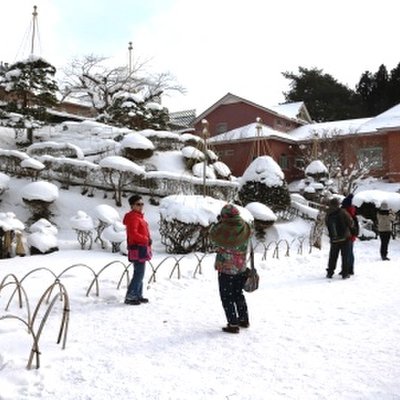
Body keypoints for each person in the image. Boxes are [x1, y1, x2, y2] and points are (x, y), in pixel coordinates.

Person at [209, 204, 252, 333]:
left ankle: (233, 324)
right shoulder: (244, 226)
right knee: (238, 293)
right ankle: (243, 319)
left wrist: (219, 223)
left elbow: (213, 237)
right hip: (241, 267)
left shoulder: (223, 229)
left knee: (227, 296)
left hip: (226, 269)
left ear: (225, 216)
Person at [123, 195, 152, 305]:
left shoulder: (139, 217)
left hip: (141, 247)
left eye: (142, 204)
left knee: (140, 272)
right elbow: (133, 234)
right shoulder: (133, 217)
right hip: (137, 248)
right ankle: (131, 296)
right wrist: (146, 239)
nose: (141, 206)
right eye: (138, 204)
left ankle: (138, 295)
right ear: (132, 206)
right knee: (139, 273)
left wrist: (148, 240)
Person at [325, 197, 354, 279]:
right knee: (345, 256)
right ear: (338, 204)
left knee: (333, 256)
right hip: (345, 238)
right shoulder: (343, 212)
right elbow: (350, 222)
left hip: (334, 239)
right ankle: (345, 273)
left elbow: (327, 224)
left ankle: (330, 272)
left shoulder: (328, 213)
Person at [341, 194, 358, 275]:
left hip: (346, 235)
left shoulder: (345, 212)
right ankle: (350, 269)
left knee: (346, 253)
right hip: (351, 235)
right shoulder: (353, 212)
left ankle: (347, 269)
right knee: (349, 252)